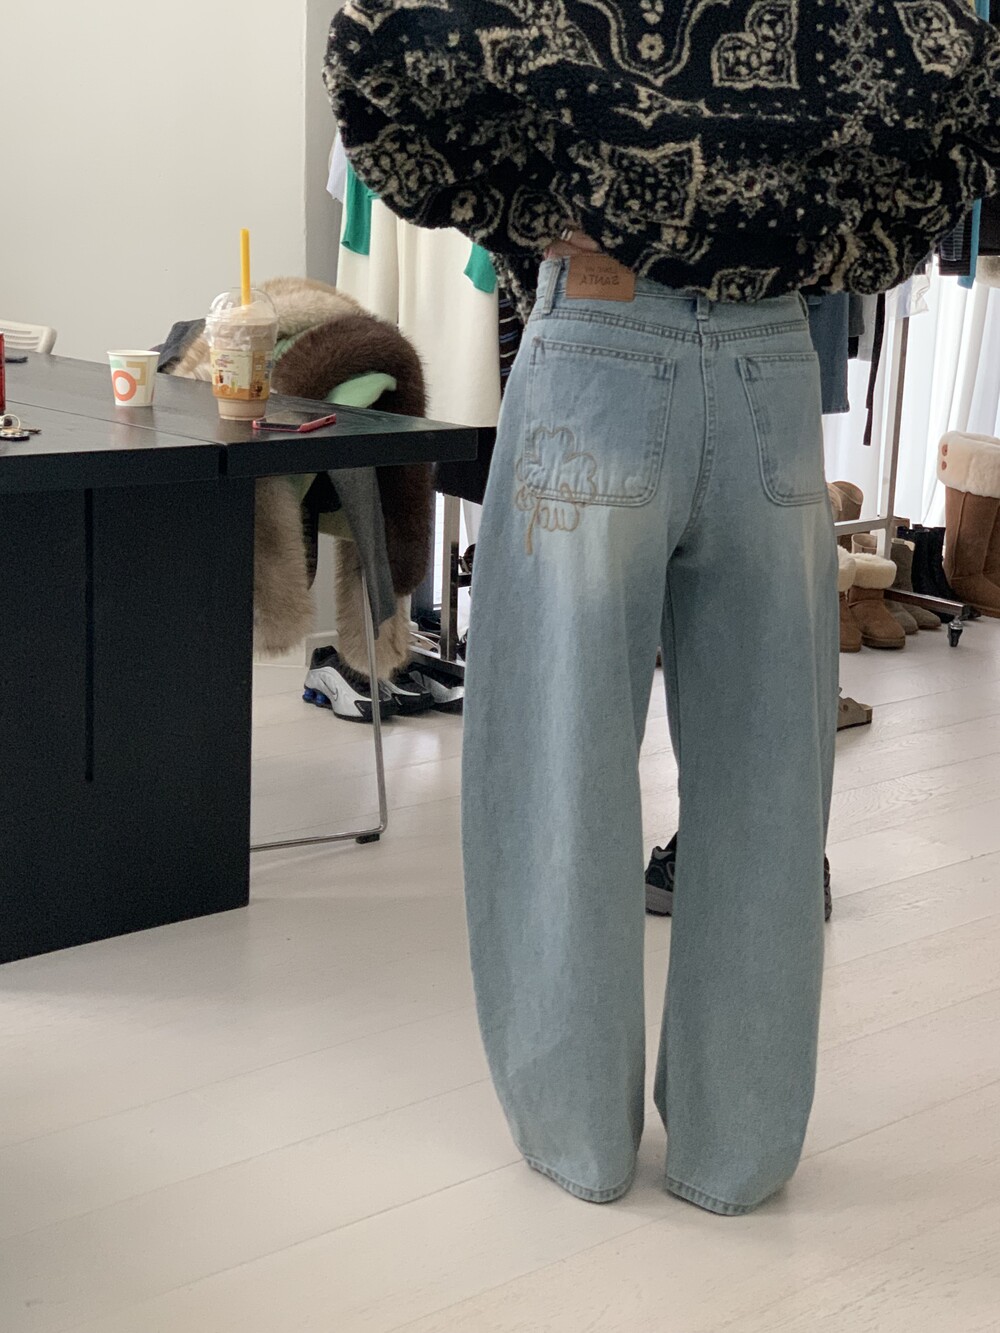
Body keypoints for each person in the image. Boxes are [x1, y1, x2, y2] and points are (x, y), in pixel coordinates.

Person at [327, 0, 1000, 1214]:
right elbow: (966, 90)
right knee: (769, 778)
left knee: (558, 761)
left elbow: (376, 56)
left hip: (599, 337)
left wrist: (523, 209)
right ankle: (737, 1151)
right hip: (771, 355)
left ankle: (576, 1133)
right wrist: (841, 238)